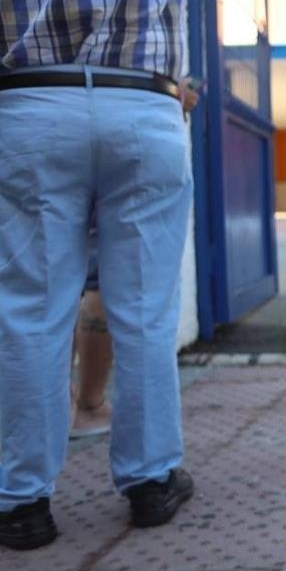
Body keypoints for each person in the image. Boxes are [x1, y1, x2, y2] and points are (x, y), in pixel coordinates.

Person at [0, 0, 263, 551]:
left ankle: (23, 498)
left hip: (27, 105)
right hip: (142, 108)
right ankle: (151, 479)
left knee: (32, 309)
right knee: (144, 305)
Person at [70, 79, 202, 440]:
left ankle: (53, 420)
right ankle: (90, 405)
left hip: (39, 115)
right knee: (111, 282)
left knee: (51, 285)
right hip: (132, 116)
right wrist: (176, 91)